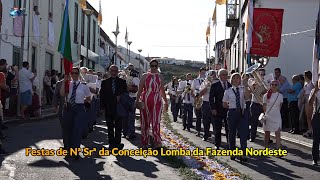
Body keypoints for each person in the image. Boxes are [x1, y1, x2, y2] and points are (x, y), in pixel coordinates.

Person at [136, 60, 168, 149]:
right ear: (150, 66)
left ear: (157, 66)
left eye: (155, 66)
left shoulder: (160, 76)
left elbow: (162, 90)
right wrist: (137, 100)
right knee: (145, 122)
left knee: (156, 121)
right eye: (152, 65)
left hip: (157, 100)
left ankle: (157, 141)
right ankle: (145, 142)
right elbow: (140, 89)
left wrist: (166, 101)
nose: (153, 67)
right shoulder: (145, 76)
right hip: (145, 99)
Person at [60, 67, 91, 159]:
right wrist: (63, 81)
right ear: (70, 74)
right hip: (68, 107)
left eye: (76, 73)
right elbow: (62, 94)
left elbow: (89, 98)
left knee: (77, 130)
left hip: (79, 108)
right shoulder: (67, 84)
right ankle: (68, 149)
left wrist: (82, 100)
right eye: (72, 73)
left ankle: (75, 151)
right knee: (67, 129)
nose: (74, 75)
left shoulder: (83, 85)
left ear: (78, 74)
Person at [100, 65, 128, 150]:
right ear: (109, 71)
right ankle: (111, 144)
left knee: (119, 127)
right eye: (112, 71)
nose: (113, 72)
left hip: (118, 107)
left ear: (118, 72)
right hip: (108, 107)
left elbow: (125, 94)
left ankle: (117, 143)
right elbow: (102, 95)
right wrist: (102, 107)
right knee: (110, 127)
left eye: (115, 71)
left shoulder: (122, 82)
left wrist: (120, 96)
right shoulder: (105, 82)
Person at [223, 73, 248, 162]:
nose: (237, 79)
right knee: (232, 133)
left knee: (243, 134)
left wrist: (246, 86)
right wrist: (230, 106)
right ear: (232, 80)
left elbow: (248, 97)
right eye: (235, 78)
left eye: (238, 78)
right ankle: (232, 152)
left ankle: (243, 154)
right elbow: (224, 103)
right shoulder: (228, 91)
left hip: (242, 112)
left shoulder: (243, 89)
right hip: (232, 112)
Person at [209, 69, 232, 150]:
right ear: (219, 76)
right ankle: (217, 143)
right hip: (217, 109)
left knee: (228, 128)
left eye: (226, 74)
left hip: (227, 109)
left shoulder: (230, 85)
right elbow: (211, 98)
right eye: (223, 74)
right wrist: (213, 109)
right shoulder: (215, 85)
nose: (225, 76)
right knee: (217, 128)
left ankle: (230, 144)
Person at [263, 80, 283, 149]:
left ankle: (278, 150)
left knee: (277, 133)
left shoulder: (280, 96)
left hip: (277, 116)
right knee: (267, 133)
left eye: (275, 85)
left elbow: (280, 106)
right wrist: (265, 115)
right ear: (270, 86)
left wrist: (276, 112)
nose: (273, 86)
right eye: (272, 84)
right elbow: (264, 106)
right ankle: (266, 148)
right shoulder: (266, 95)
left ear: (277, 86)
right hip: (268, 116)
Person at [199, 71, 215, 141]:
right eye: (210, 75)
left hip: (215, 103)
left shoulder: (217, 83)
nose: (212, 76)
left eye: (213, 75)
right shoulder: (204, 83)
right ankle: (206, 135)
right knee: (205, 121)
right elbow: (201, 93)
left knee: (215, 121)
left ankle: (216, 137)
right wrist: (207, 86)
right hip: (206, 103)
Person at [308, 80, 320, 166]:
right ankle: (315, 159)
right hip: (317, 116)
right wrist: (315, 91)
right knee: (316, 139)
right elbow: (310, 102)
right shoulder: (314, 91)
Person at [192, 68, 206, 136]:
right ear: (199, 73)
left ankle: (206, 131)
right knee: (198, 116)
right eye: (202, 73)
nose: (203, 74)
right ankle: (198, 131)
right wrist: (195, 98)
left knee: (205, 116)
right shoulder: (195, 81)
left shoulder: (206, 81)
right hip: (198, 97)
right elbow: (192, 91)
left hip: (205, 99)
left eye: (204, 73)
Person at [302, 71, 314, 138]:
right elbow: (304, 90)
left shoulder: (312, 82)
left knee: (311, 115)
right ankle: (310, 129)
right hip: (306, 98)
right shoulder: (305, 83)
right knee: (307, 116)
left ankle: (313, 129)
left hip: (310, 98)